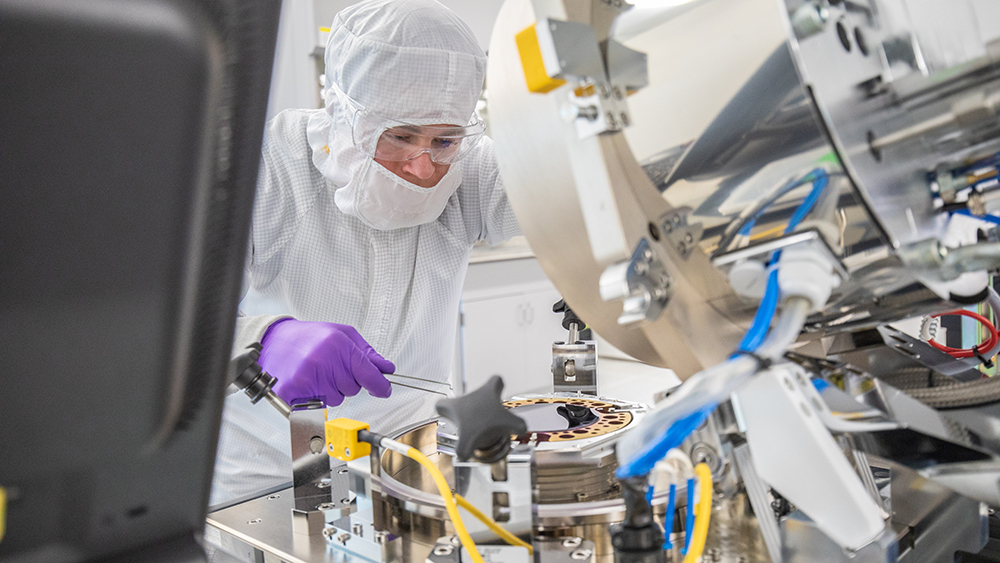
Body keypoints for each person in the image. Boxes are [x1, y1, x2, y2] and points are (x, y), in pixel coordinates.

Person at [209, 0, 519, 506]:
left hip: (410, 463)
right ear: (343, 112)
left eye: (444, 139)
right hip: (264, 475)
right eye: (399, 136)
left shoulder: (470, 173)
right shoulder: (263, 166)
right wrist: (260, 340)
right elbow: (161, 320)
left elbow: (567, 195)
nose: (423, 167)